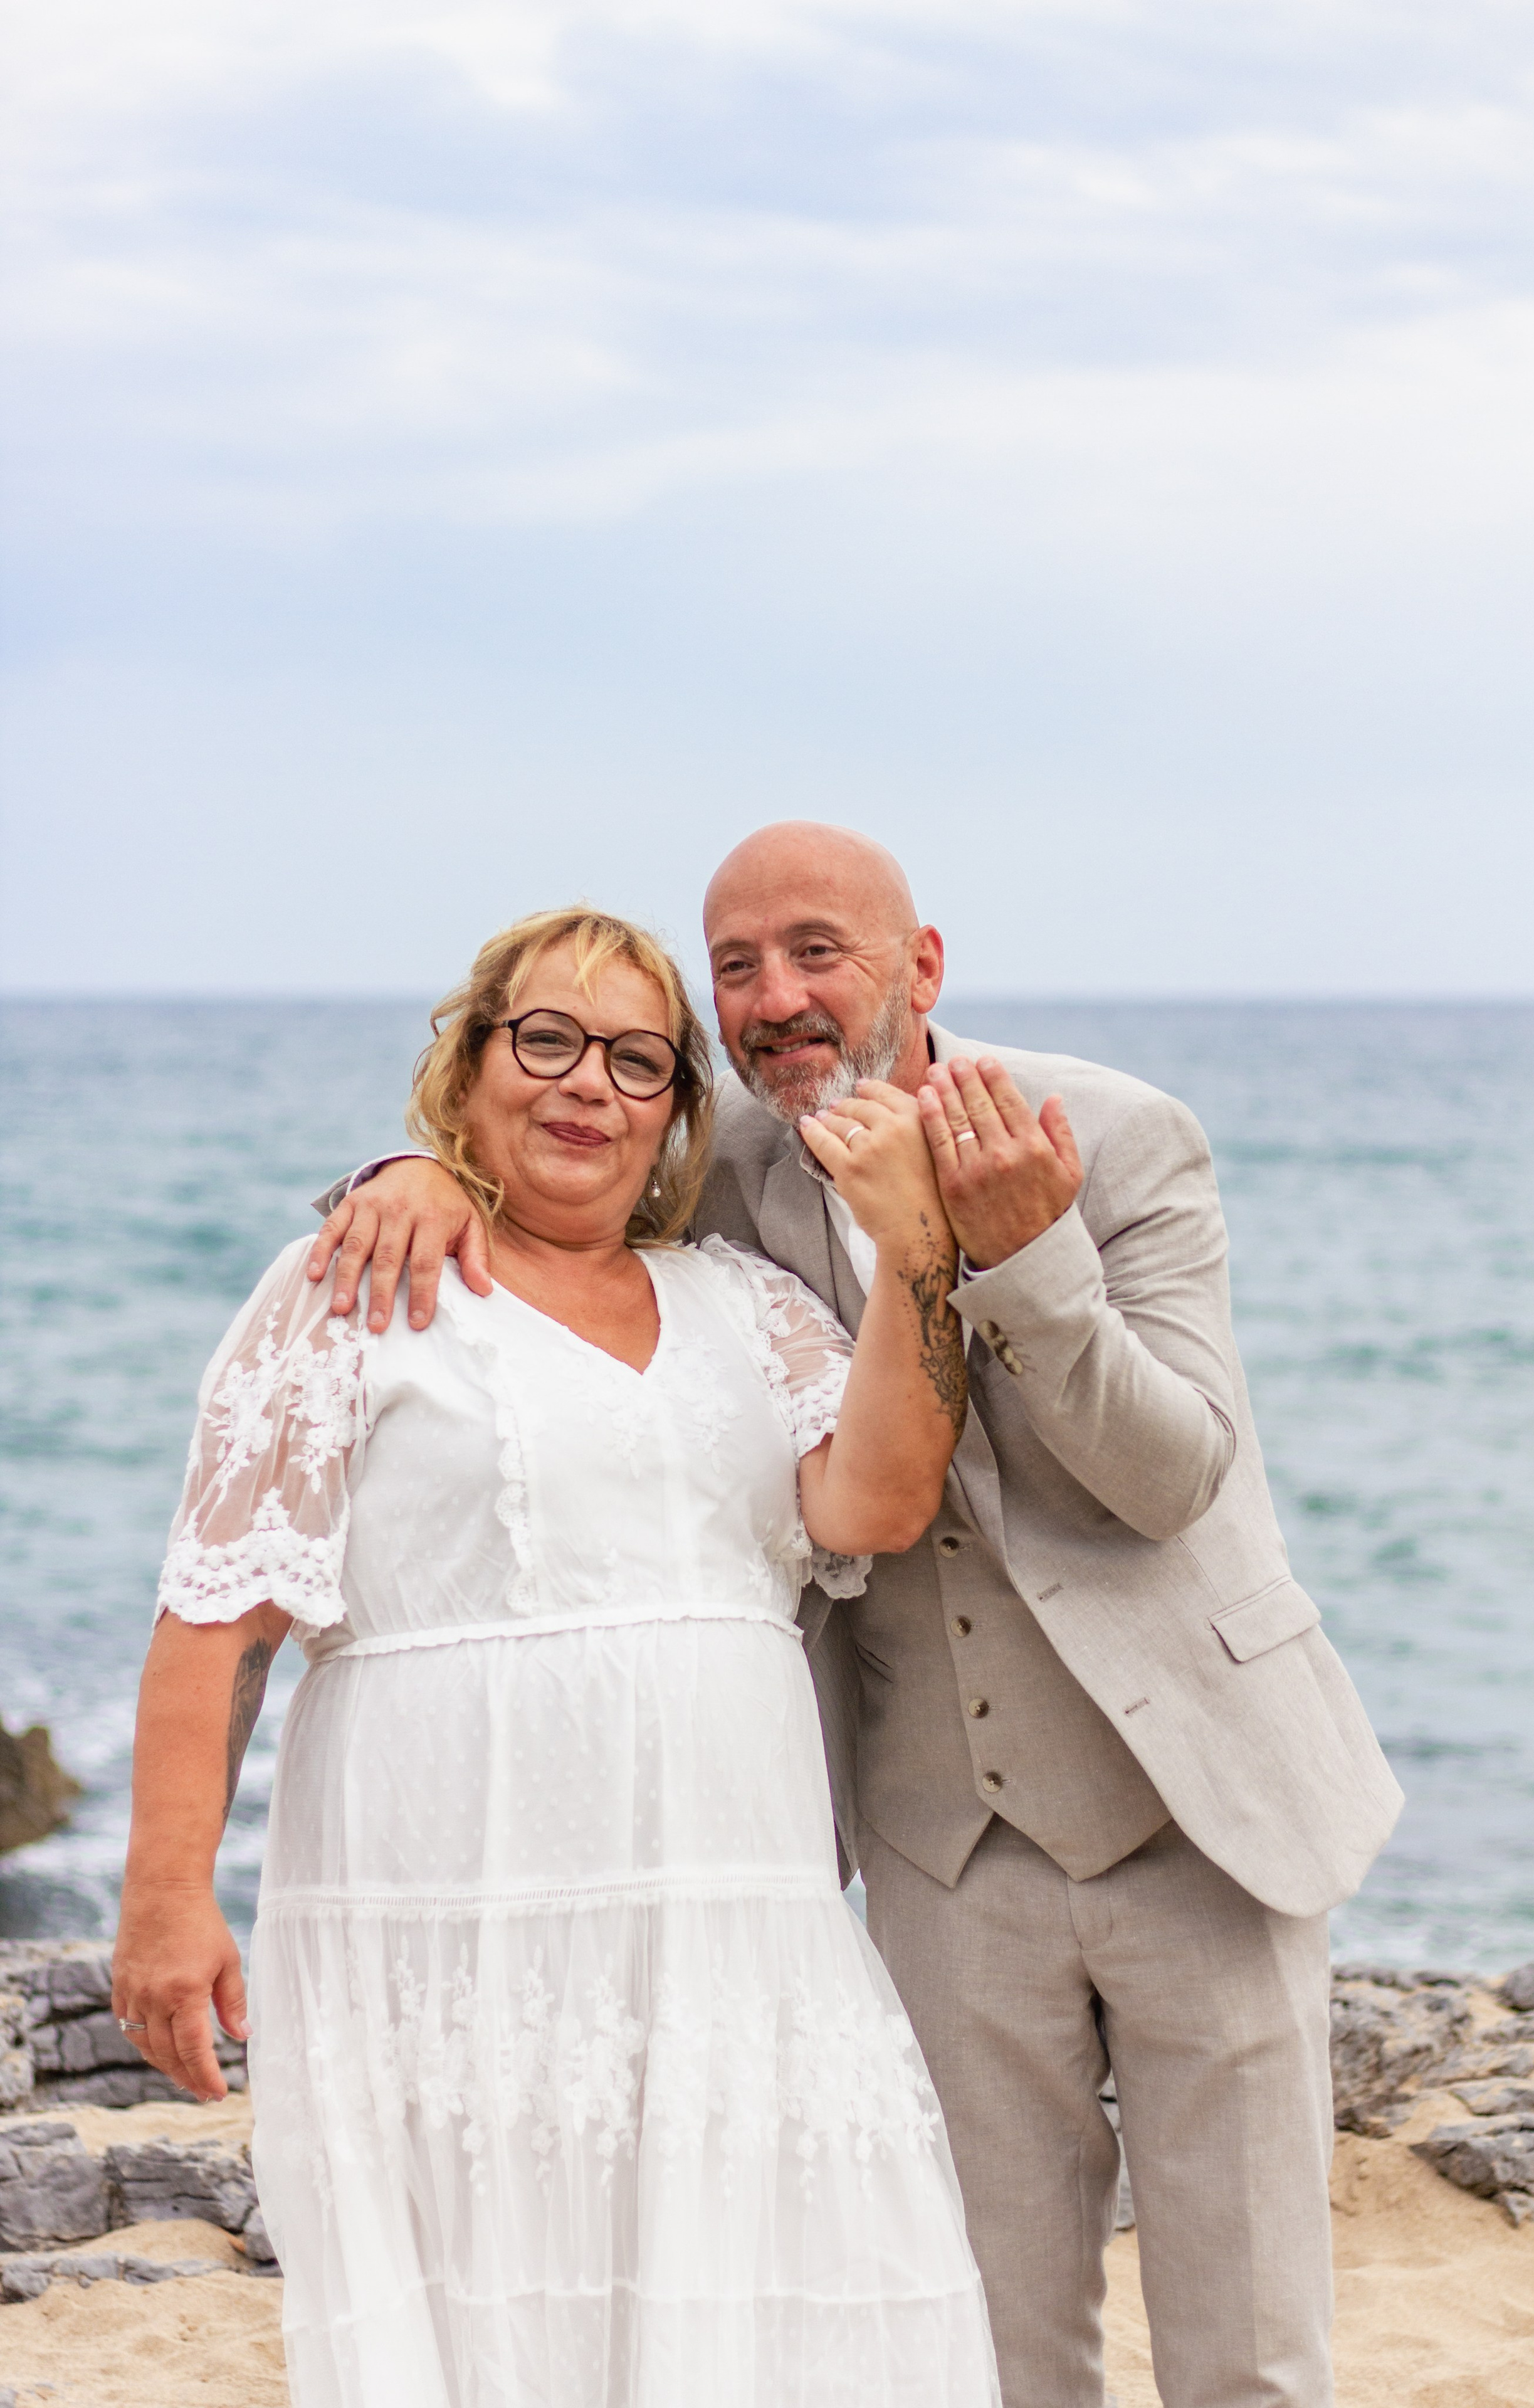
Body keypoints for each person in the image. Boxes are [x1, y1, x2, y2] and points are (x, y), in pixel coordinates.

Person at [318, 827, 1405, 2408]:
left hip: (1202, 1811)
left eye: (817, 950)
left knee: (1250, 2353)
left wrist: (1027, 1255)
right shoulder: (724, 1178)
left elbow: (1172, 1480)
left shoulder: (1115, 1136)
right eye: (738, 964)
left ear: (923, 969)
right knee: (984, 2341)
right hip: (936, 1840)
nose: (775, 997)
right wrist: (401, 1171)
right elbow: (549, 1173)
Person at [112, 905, 1001, 2408]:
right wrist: (162, 1898)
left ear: (670, 1116)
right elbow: (220, 1613)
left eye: (636, 1061)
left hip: (734, 1939)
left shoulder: (747, 1305)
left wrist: (918, 1246)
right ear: (467, 1073)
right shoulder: (353, 1288)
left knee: (794, 2320)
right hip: (449, 1930)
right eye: (545, 1040)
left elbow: (880, 1497)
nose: (587, 1083)